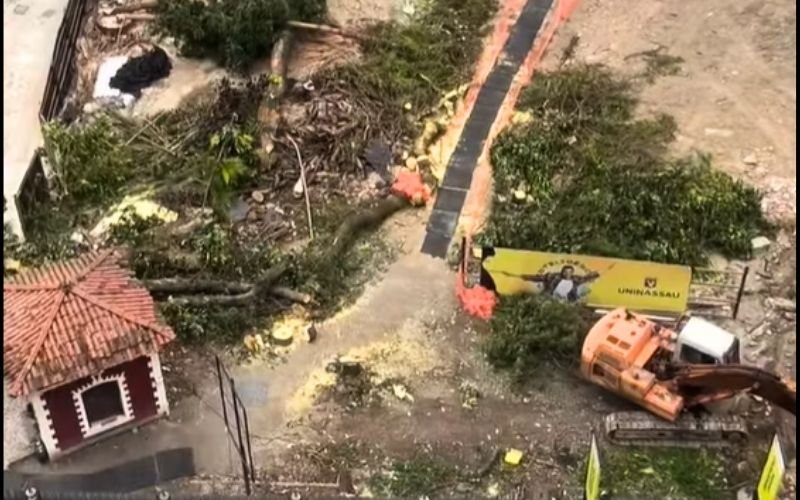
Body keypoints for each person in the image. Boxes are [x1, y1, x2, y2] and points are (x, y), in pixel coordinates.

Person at [515, 265, 600, 302]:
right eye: (565, 272)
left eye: (570, 272)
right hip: (551, 299)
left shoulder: (575, 279)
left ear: (572, 273)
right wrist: (522, 276)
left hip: (565, 302)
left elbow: (585, 278)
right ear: (562, 272)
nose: (567, 273)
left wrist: (594, 275)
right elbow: (538, 278)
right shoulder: (554, 277)